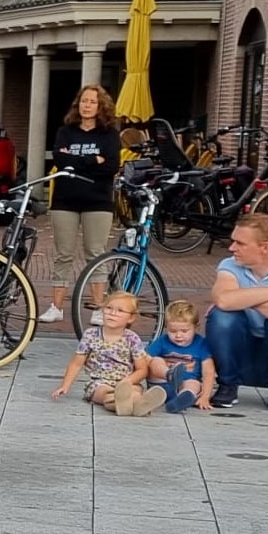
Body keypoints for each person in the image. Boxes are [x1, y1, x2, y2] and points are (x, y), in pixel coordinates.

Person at [207, 212, 268, 411]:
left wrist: (240, 298)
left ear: (265, 248)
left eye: (240, 243)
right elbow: (224, 301)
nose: (232, 248)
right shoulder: (229, 265)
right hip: (241, 352)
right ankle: (227, 385)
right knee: (222, 317)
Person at [42, 84, 120, 324]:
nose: (87, 106)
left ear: (101, 106)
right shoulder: (66, 131)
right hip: (65, 199)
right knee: (63, 254)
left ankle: (98, 307)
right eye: (84, 101)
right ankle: (56, 307)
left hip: (97, 200)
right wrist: (92, 160)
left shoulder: (109, 135)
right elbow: (60, 160)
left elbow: (111, 167)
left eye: (92, 102)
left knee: (95, 253)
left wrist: (78, 160)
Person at [50, 292, 166, 416]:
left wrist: (126, 382)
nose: (112, 313)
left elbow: (142, 369)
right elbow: (76, 363)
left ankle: (137, 404)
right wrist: (65, 385)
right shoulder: (90, 335)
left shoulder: (132, 338)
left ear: (131, 318)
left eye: (120, 311)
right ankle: (127, 404)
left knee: (135, 391)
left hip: (127, 383)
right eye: (109, 308)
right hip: (99, 383)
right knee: (105, 394)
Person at [147, 299, 215, 413]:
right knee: (155, 360)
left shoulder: (201, 344)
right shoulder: (163, 340)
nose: (178, 335)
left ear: (196, 328)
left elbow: (209, 371)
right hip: (163, 381)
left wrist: (205, 396)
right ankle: (169, 376)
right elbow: (145, 358)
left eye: (184, 331)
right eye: (172, 331)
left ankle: (180, 401)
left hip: (186, 380)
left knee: (194, 384)